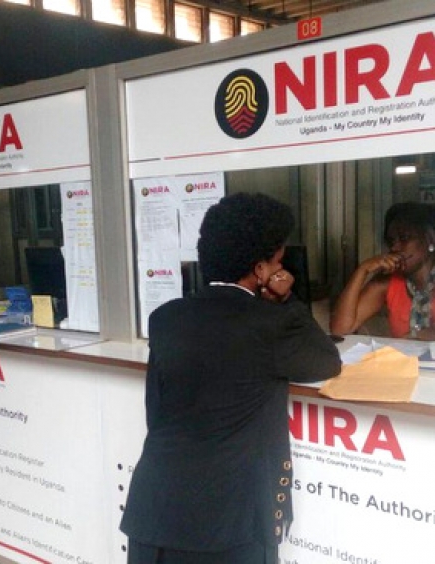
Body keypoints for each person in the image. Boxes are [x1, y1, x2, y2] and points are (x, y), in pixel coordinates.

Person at [120, 192, 342, 564]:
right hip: (231, 525)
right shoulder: (269, 324)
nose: (280, 268)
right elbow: (326, 361)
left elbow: (155, 411)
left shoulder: (165, 318)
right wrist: (287, 300)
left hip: (153, 513)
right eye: (278, 261)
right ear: (261, 269)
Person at [330, 202, 435, 340]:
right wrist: (363, 269)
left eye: (404, 238)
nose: (395, 248)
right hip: (403, 354)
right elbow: (340, 329)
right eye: (391, 241)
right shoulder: (389, 281)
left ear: (429, 239)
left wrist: (415, 336)